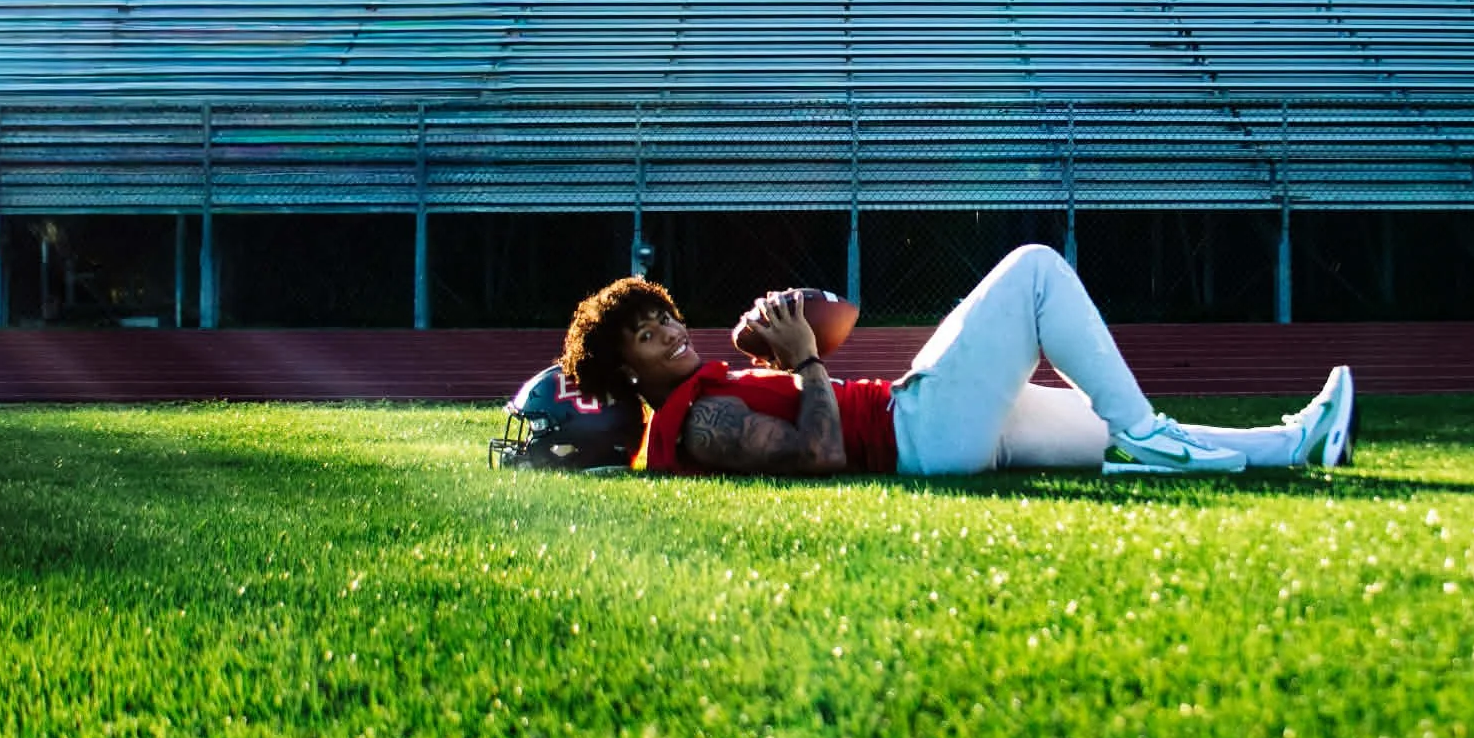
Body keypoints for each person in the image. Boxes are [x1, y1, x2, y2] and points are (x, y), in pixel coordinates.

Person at [560, 243, 1354, 478]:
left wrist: (789, 352)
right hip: (917, 433)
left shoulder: (710, 384)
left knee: (1104, 429)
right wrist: (804, 363)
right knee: (1036, 268)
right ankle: (1147, 433)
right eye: (644, 333)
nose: (667, 328)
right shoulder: (698, 420)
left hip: (929, 423)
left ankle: (1294, 441)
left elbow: (821, 365)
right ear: (626, 369)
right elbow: (823, 453)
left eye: (662, 313)